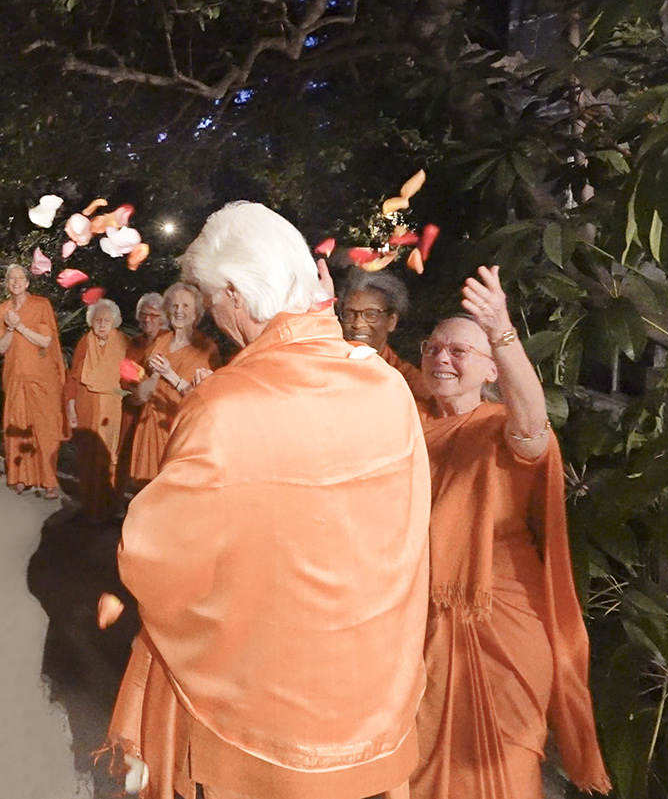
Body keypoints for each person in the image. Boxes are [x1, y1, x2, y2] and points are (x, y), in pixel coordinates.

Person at [106, 202, 431, 799]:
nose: (210, 314)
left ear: (233, 291)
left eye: (208, 297)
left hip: (261, 703)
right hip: (371, 688)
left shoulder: (225, 405)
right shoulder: (384, 384)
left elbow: (153, 555)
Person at [408, 268, 610, 799]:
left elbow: (532, 420)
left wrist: (502, 328)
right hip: (417, 624)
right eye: (433, 348)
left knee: (505, 763)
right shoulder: (406, 425)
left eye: (459, 352)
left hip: (502, 619)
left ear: (492, 369)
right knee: (419, 763)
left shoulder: (501, 427)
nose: (441, 359)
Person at [127, 283, 220, 485]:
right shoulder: (160, 341)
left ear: (196, 313)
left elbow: (203, 397)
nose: (179, 311)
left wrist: (170, 374)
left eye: (186, 306)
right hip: (150, 423)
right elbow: (145, 382)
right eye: (175, 305)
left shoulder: (206, 348)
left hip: (177, 428)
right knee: (145, 487)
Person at [0, 265, 66, 497]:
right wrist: (11, 329)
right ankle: (20, 476)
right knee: (17, 426)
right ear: (7, 284)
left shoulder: (40, 305)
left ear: (27, 283)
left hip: (41, 378)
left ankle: (49, 482)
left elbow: (46, 341)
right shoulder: (2, 310)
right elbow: (0, 347)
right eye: (11, 278)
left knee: (45, 429)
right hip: (15, 377)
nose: (15, 282)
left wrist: (21, 326)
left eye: (20, 278)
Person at [67, 298, 130, 520]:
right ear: (90, 322)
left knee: (110, 454)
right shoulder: (85, 342)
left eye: (106, 320)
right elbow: (73, 376)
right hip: (87, 402)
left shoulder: (124, 342)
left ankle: (110, 506)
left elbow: (131, 378)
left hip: (113, 405)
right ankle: (88, 506)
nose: (102, 324)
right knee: (87, 454)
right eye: (97, 320)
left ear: (115, 322)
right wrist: (71, 405)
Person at [342, 269, 429, 403]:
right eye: (349, 314)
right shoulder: (329, 365)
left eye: (371, 314)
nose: (358, 324)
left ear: (391, 321)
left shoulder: (407, 380)